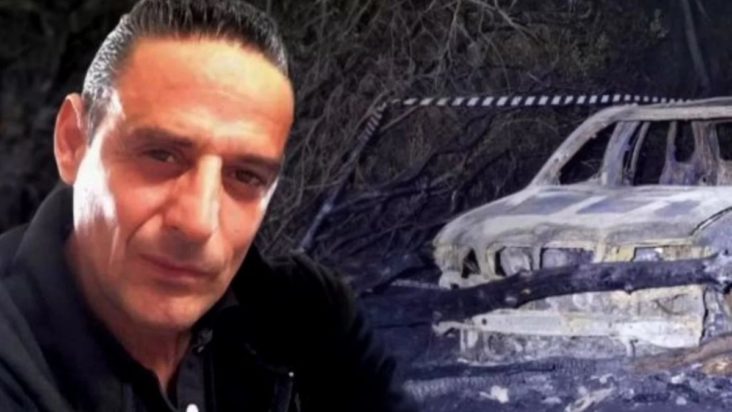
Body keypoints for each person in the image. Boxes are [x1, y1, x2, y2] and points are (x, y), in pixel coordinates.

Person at [0, 1, 416, 411]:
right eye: (161, 155)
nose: (198, 222)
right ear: (73, 142)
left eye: (245, 176)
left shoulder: (312, 320)